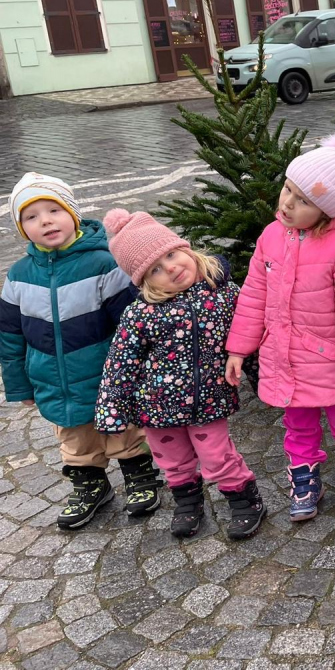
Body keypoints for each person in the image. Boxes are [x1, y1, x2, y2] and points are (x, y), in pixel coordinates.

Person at [225, 130, 335, 521]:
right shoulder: (271, 236)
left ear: (328, 210)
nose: (287, 203)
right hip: (283, 356)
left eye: (303, 200)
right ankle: (304, 476)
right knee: (297, 426)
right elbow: (253, 294)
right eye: (288, 189)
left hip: (328, 357)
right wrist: (238, 349)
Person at [0, 173, 160, 529]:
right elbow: (9, 335)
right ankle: (91, 486)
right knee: (75, 440)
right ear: (22, 229)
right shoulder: (19, 275)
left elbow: (130, 320)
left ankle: (139, 476)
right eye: (31, 216)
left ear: (72, 214)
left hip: (108, 374)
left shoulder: (102, 263)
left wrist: (142, 368)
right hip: (55, 380)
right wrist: (19, 384)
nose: (45, 221)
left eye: (54, 210)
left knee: (123, 432)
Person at [96, 210, 264, 540]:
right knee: (172, 461)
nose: (170, 268)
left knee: (218, 456)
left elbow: (249, 338)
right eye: (155, 269)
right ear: (144, 281)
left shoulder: (224, 294)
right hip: (156, 407)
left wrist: (262, 379)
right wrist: (112, 410)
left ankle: (244, 500)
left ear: (185, 248)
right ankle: (187, 503)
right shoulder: (140, 313)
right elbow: (120, 363)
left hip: (208, 401)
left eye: (171, 255)